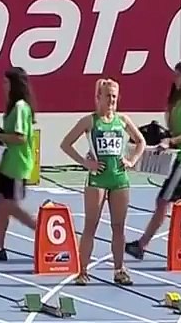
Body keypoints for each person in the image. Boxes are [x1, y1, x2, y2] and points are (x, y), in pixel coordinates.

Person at [59, 78, 146, 286]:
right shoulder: (90, 121)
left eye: (114, 96)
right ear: (98, 97)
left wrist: (132, 160)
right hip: (97, 179)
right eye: (108, 96)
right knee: (91, 225)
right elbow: (66, 144)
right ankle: (82, 271)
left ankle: (119, 270)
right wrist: (85, 162)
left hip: (119, 179)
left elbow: (141, 141)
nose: (111, 100)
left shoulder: (122, 120)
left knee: (119, 227)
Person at [126, 61, 181, 261]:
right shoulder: (178, 102)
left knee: (163, 201)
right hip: (179, 156)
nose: (175, 79)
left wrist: (171, 141)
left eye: (179, 75)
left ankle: (142, 245)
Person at [0, 67, 38, 261]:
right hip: (7, 163)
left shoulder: (20, 107)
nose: (3, 86)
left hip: (17, 164)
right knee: (1, 204)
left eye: (6, 82)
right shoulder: (13, 107)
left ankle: (44, 230)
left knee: (11, 206)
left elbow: (20, 137)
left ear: (14, 84)